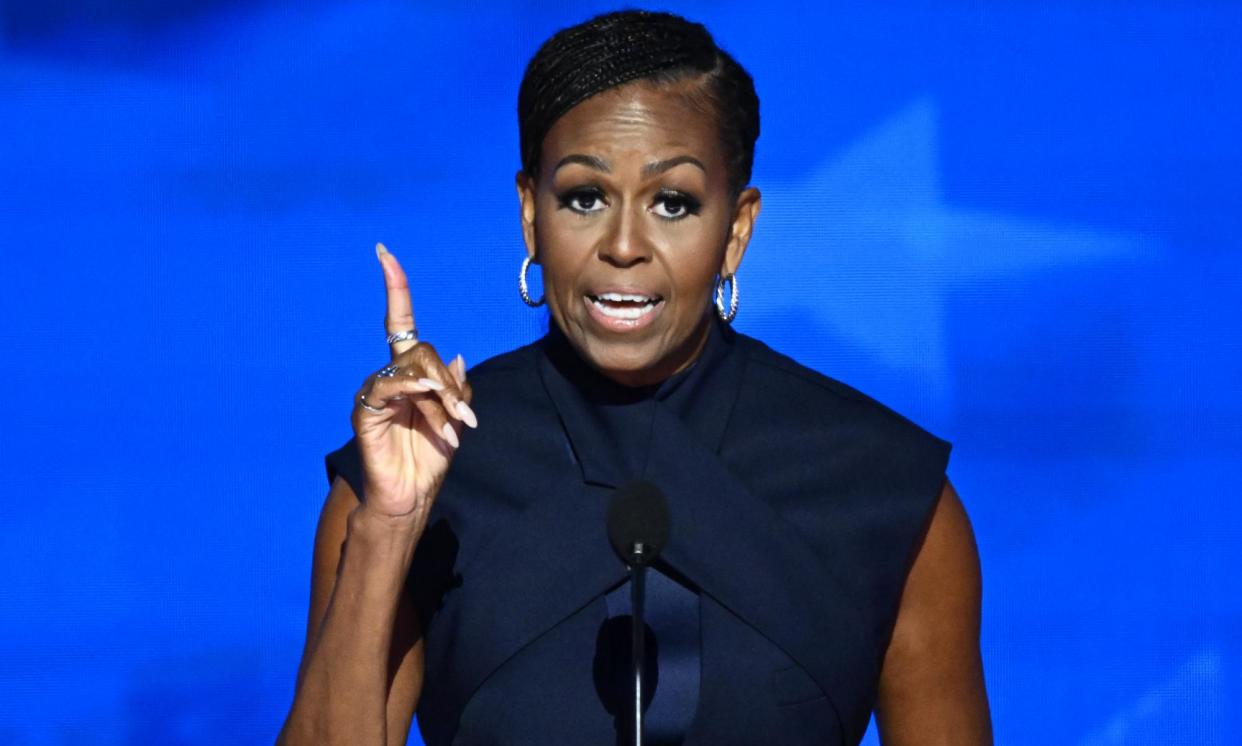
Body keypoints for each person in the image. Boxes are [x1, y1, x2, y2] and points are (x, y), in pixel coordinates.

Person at [278, 10, 991, 746]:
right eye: (584, 198)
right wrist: (387, 532)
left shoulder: (887, 492)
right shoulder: (421, 471)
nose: (624, 247)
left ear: (736, 231)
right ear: (530, 215)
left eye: (673, 203)